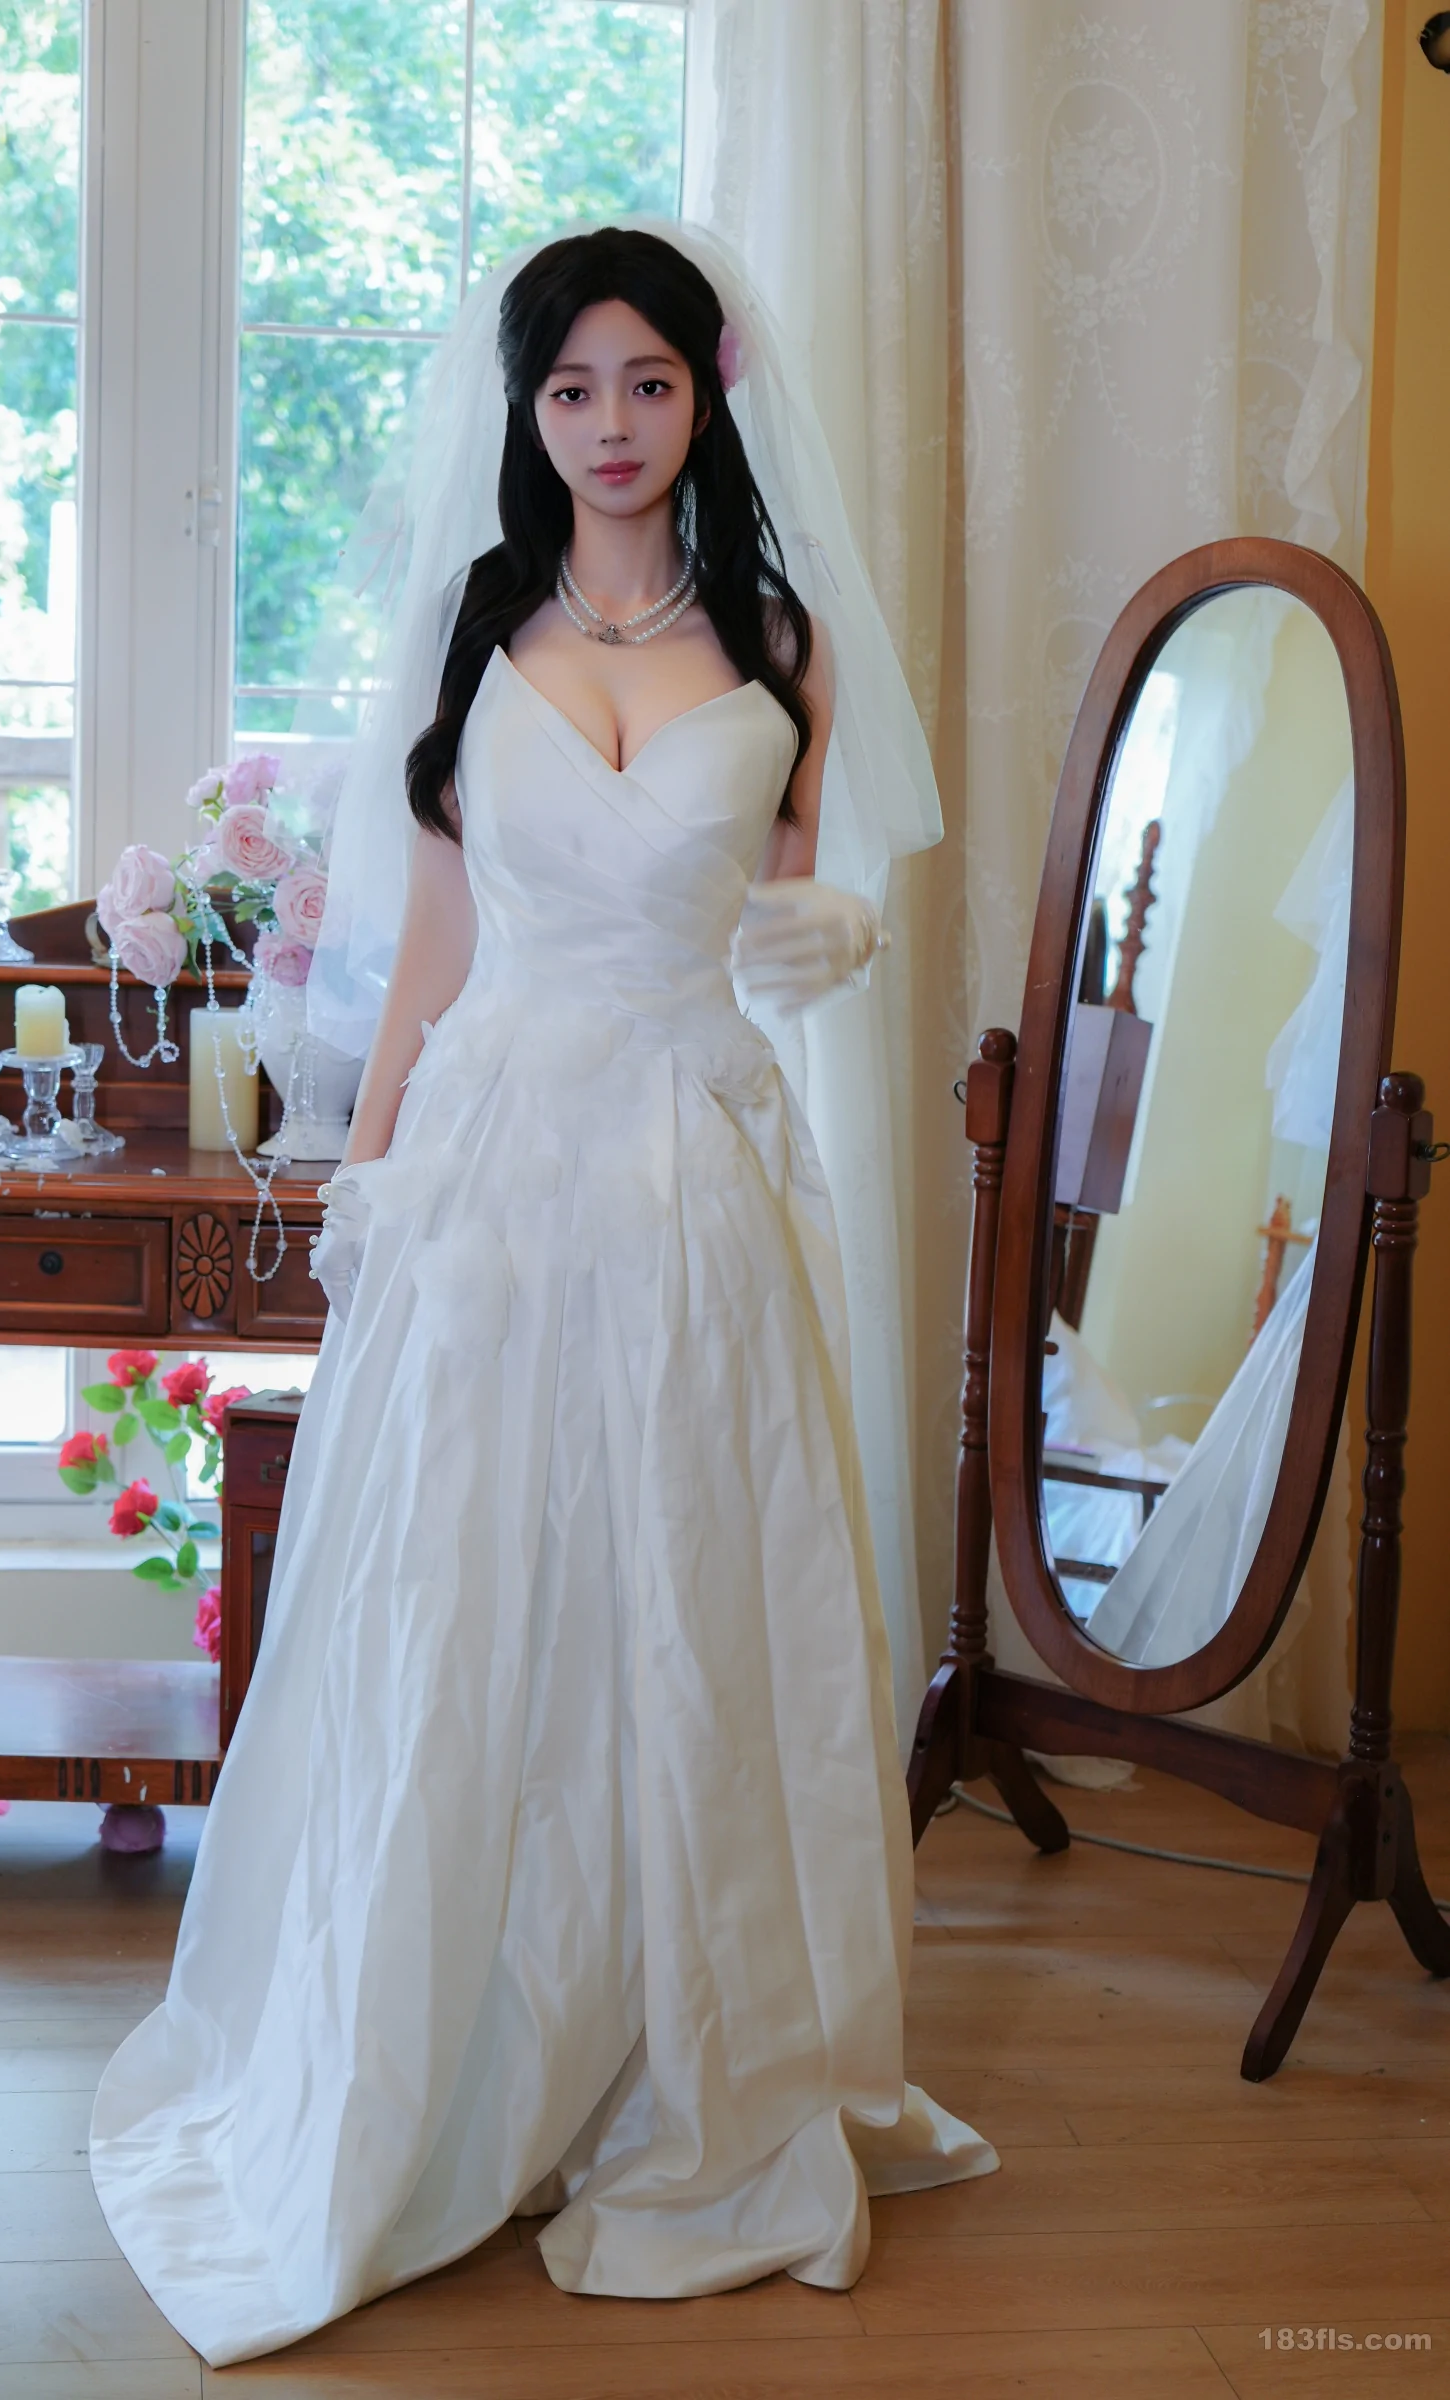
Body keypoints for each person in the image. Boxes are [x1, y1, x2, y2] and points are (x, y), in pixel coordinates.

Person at [90, 223, 996, 2369]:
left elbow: (794, 907)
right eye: (571, 387)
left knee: (686, 1600)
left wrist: (837, 936)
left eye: (646, 383)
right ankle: (449, 2053)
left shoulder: (778, 642)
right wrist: (368, 1174)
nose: (608, 424)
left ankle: (690, 2071)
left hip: (688, 1170)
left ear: (705, 394)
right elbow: (430, 945)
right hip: (493, 1170)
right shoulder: (478, 626)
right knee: (465, 1598)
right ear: (528, 409)